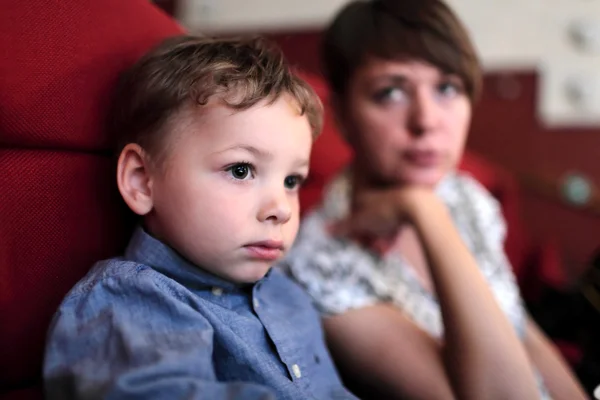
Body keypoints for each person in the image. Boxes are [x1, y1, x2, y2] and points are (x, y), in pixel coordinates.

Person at [282, 1, 588, 399]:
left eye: (447, 88)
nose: (426, 120)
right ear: (342, 114)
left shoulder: (463, 196)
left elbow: (521, 329)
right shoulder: (320, 268)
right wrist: (423, 211)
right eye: (390, 92)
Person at [43, 35, 357, 400]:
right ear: (142, 181)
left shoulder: (287, 294)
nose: (282, 209)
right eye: (241, 170)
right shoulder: (132, 298)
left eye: (292, 181)